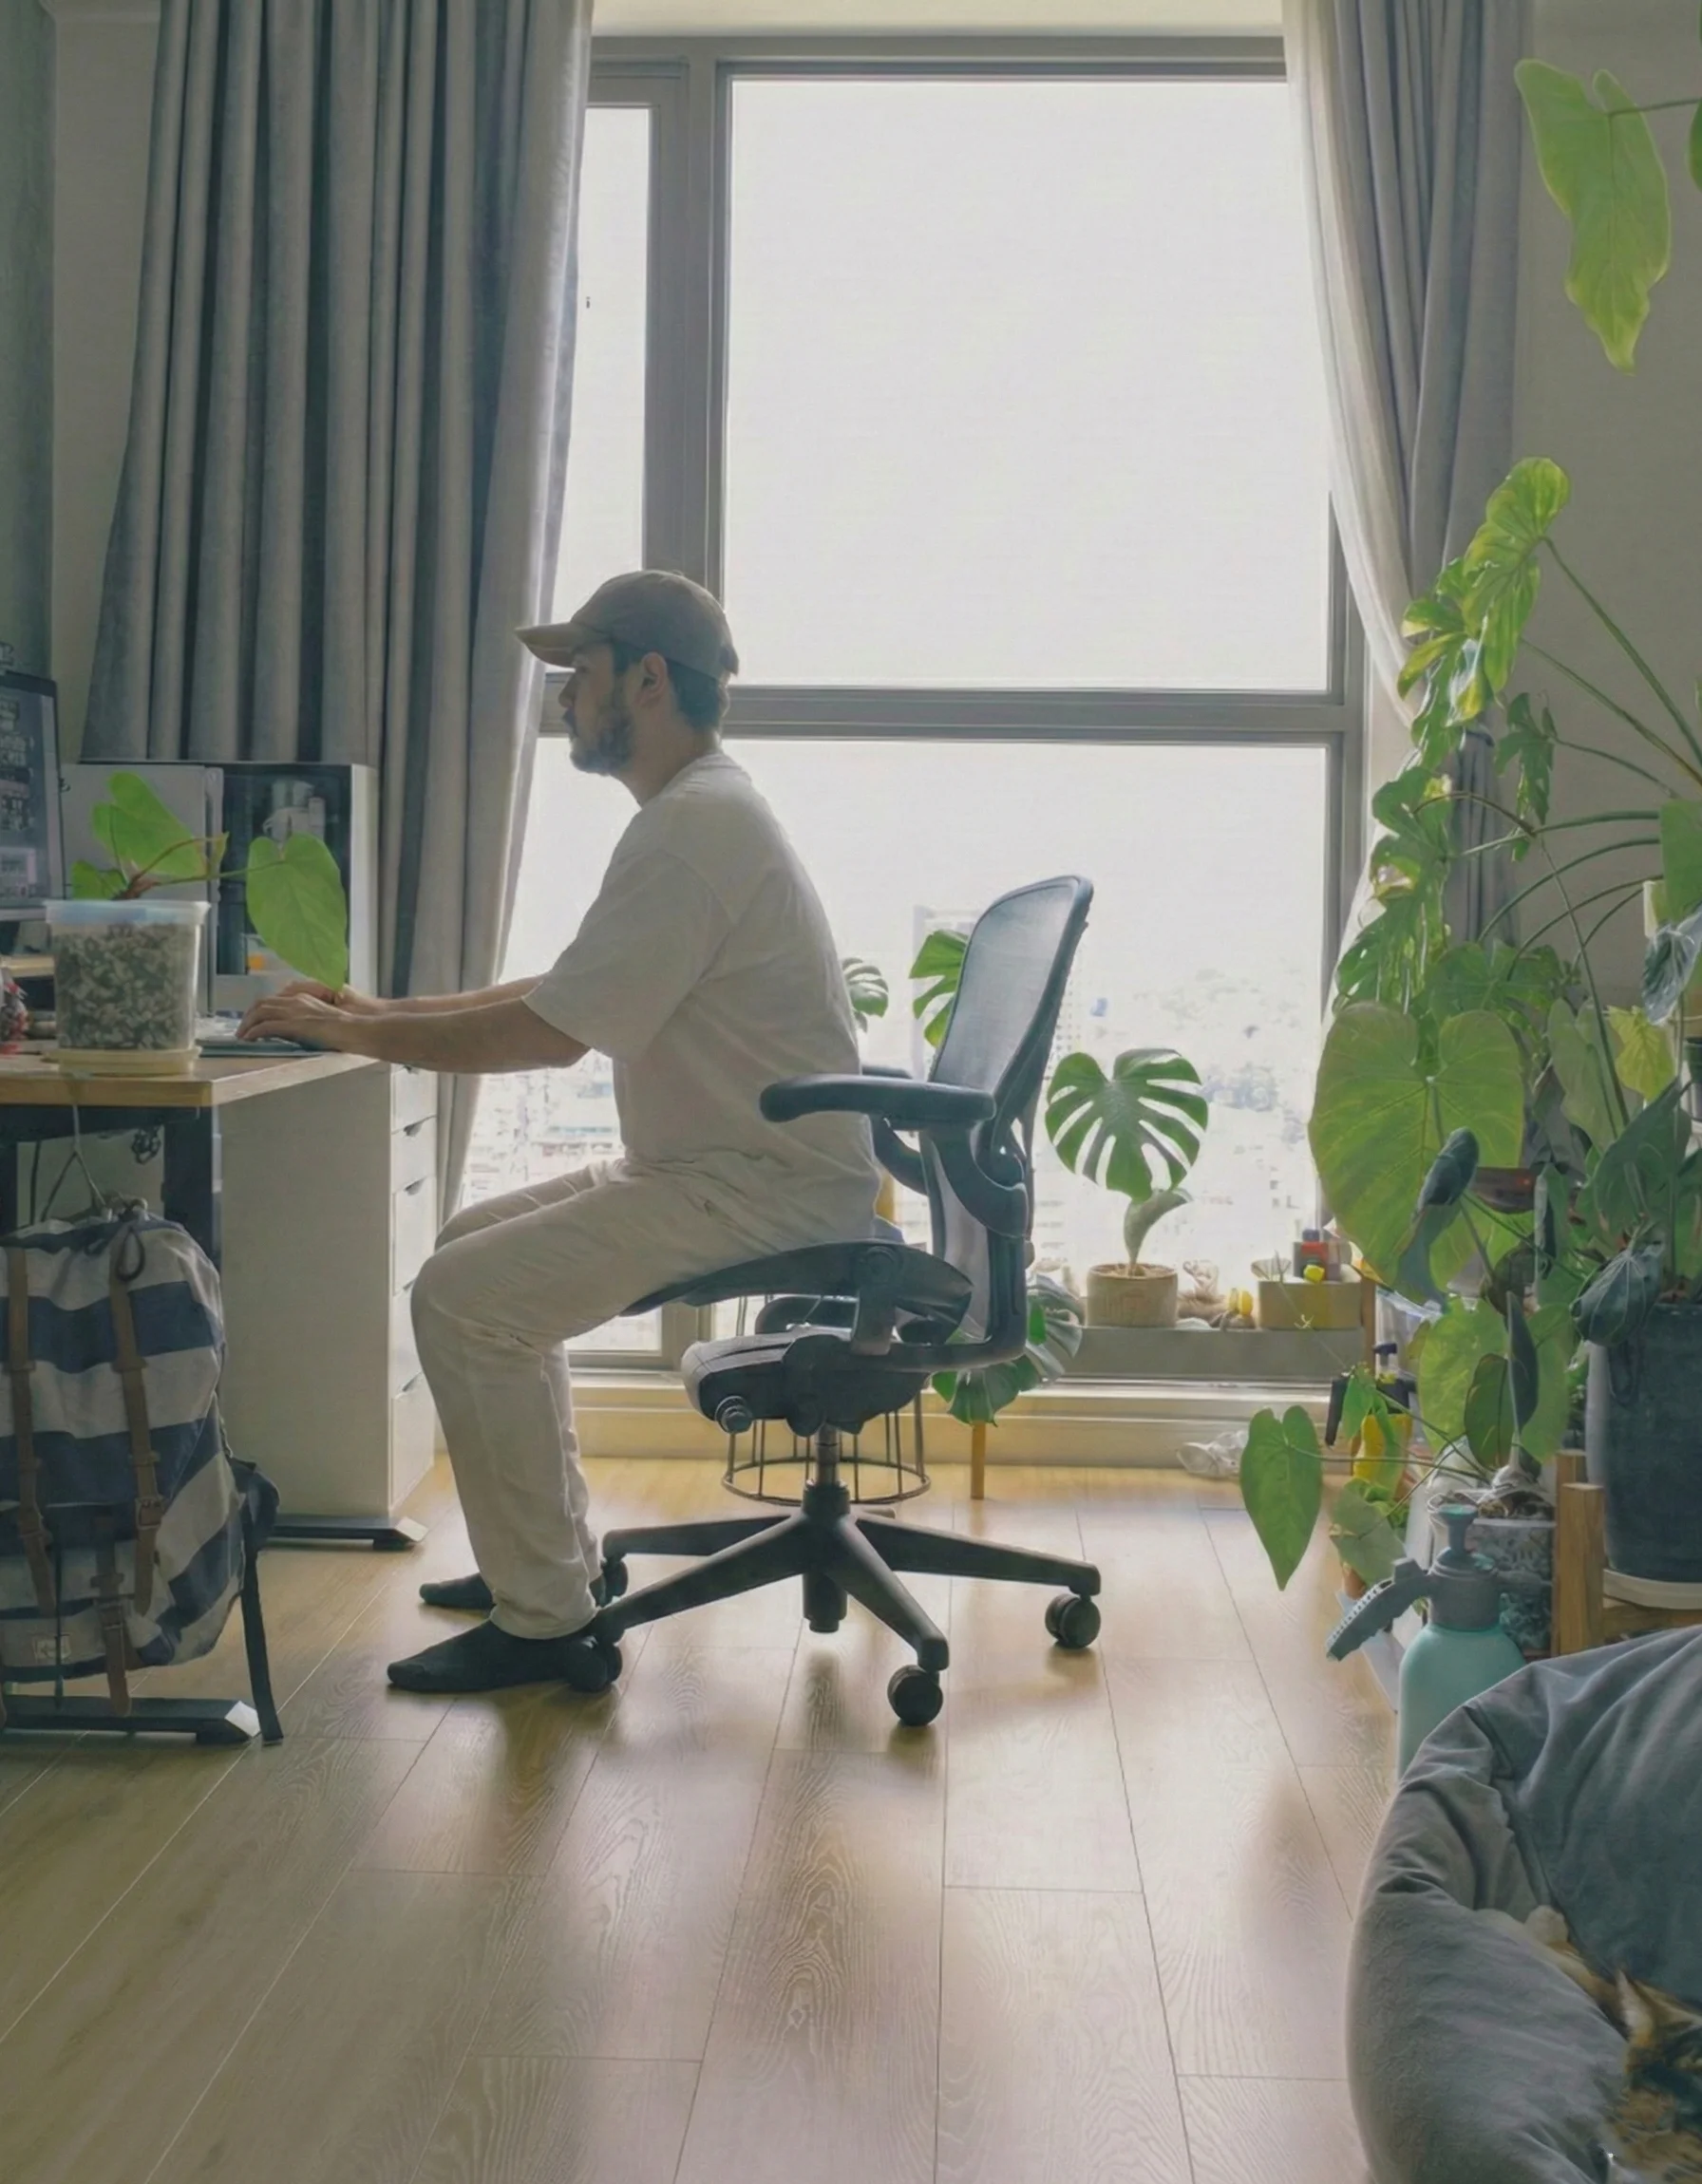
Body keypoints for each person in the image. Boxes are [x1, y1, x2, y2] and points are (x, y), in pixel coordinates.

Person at [239, 571, 879, 1692]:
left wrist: (364, 1039)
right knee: (467, 1253)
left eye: (577, 677)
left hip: (757, 1181)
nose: (563, 702)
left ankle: (546, 1622)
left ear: (645, 677)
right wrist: (370, 1013)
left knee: (465, 1300)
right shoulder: (696, 815)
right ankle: (555, 1566)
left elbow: (551, 1033)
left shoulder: (694, 829)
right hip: (717, 1163)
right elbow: (571, 987)